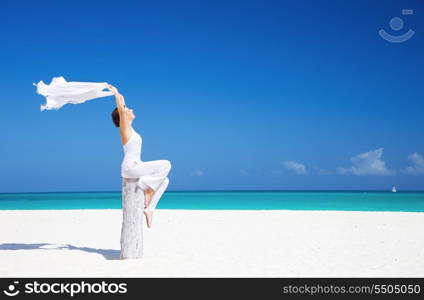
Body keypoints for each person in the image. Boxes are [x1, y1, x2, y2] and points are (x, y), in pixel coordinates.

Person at [107, 84, 171, 228]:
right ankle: (146, 188)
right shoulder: (125, 130)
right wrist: (115, 93)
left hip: (136, 166)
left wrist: (121, 97)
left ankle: (149, 209)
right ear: (123, 115)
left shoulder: (131, 129)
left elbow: (122, 106)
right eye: (128, 110)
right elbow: (121, 110)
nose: (131, 109)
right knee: (166, 164)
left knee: (165, 180)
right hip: (130, 168)